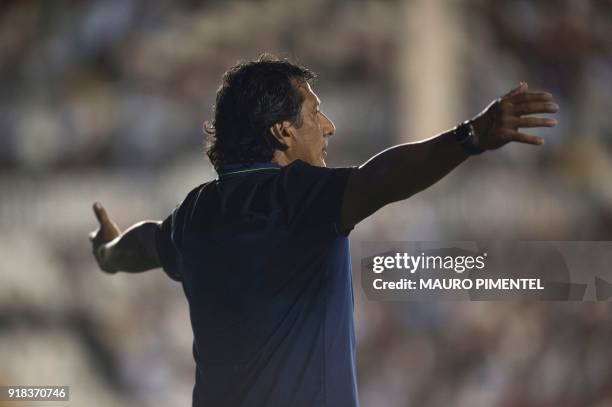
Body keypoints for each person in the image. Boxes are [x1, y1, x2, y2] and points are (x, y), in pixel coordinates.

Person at [89, 55, 559, 406]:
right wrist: (470, 137)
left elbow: (142, 244)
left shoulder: (194, 214)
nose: (329, 127)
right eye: (315, 112)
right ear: (282, 132)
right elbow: (383, 178)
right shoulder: (297, 197)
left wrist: (107, 251)